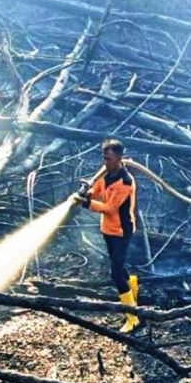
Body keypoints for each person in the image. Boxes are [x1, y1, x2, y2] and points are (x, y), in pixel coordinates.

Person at [73, 139, 140, 333]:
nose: (105, 162)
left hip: (122, 231)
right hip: (108, 230)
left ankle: (133, 318)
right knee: (119, 267)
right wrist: (87, 193)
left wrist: (86, 203)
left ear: (119, 157)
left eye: (109, 158)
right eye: (104, 158)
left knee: (116, 273)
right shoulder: (106, 175)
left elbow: (110, 208)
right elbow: (97, 191)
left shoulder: (125, 181)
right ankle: (134, 302)